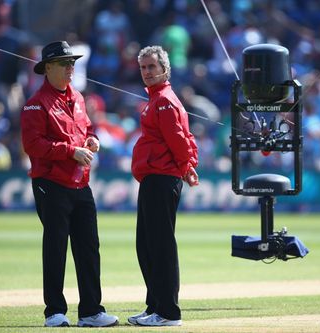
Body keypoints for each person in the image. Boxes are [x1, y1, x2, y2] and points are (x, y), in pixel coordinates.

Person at [20, 41, 118, 328]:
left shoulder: (77, 97)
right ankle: (54, 312)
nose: (70, 68)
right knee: (56, 246)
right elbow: (33, 145)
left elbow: (85, 128)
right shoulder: (35, 104)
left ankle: (91, 311)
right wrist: (70, 151)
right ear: (47, 68)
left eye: (72, 63)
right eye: (64, 63)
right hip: (50, 183)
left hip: (80, 183)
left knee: (88, 247)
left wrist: (91, 140)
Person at [128, 45, 199, 327]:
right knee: (146, 246)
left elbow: (180, 139)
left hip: (162, 178)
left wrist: (187, 167)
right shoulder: (157, 99)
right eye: (143, 68)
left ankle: (169, 312)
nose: (147, 72)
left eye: (151, 67)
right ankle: (155, 305)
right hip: (153, 178)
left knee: (160, 246)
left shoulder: (165, 101)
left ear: (164, 69)